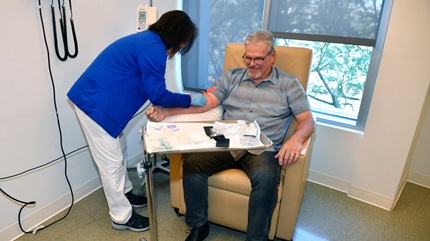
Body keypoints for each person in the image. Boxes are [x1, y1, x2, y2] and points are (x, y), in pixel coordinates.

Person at [146, 30, 315, 241]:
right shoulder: (231, 77)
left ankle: (256, 238)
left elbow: (307, 120)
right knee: (192, 163)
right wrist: (166, 112)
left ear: (272, 56)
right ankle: (198, 224)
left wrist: (296, 139)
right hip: (226, 142)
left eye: (258, 58)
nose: (252, 63)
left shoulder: (289, 84)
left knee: (266, 178)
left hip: (262, 149)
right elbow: (204, 104)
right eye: (248, 57)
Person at [67, 10, 207, 232]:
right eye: (184, 41)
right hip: (93, 104)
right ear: (177, 35)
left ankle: (125, 191)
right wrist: (191, 99)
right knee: (111, 162)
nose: (182, 46)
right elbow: (158, 95)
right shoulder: (153, 49)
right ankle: (121, 217)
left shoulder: (148, 41)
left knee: (119, 147)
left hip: (99, 101)